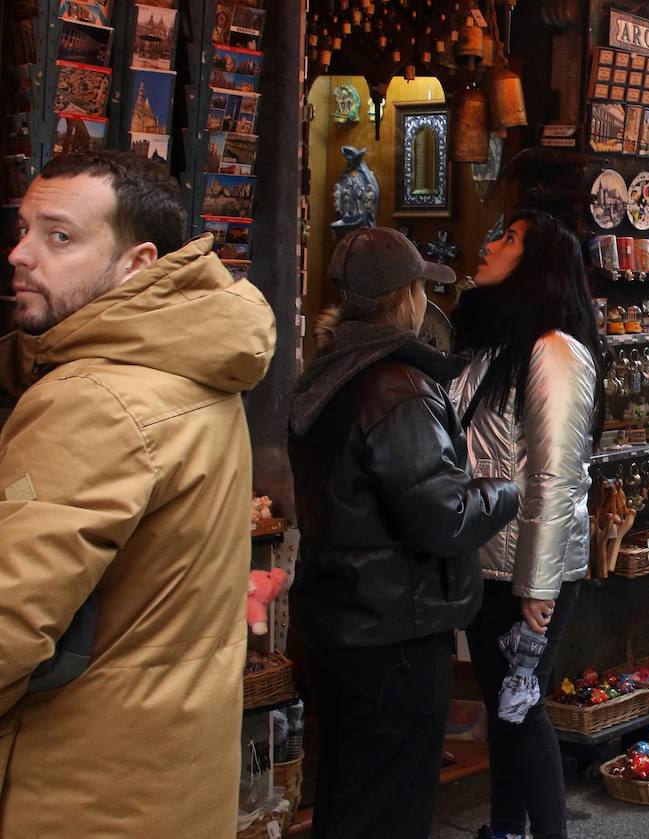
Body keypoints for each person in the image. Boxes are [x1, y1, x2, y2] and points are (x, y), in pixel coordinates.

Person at [0, 150, 276, 835]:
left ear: (138, 264)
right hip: (164, 783)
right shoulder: (189, 362)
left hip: (76, 794)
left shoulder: (95, 398)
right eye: (25, 228)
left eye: (58, 236)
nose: (20, 254)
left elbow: (8, 620)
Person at [288, 226, 518, 838]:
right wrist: (506, 488)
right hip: (395, 632)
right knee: (390, 803)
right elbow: (444, 518)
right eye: (422, 288)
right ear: (408, 296)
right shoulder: (397, 388)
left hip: (342, 622)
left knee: (351, 792)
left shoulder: (327, 373)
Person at [448, 210, 604, 839]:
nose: (489, 244)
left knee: (522, 704)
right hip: (487, 560)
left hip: (527, 572)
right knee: (503, 706)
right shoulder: (493, 347)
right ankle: (506, 827)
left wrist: (537, 585)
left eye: (508, 239)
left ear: (537, 264)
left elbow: (556, 476)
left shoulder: (554, 351)